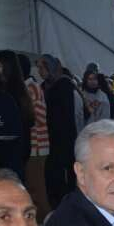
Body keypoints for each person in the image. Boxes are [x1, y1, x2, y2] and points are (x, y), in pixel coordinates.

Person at [38, 54, 80, 207]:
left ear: (50, 68)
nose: (40, 71)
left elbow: (67, 116)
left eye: (42, 68)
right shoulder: (47, 86)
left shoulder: (63, 85)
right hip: (53, 140)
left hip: (64, 140)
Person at [17, 53, 52, 223]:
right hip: (32, 146)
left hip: (36, 146)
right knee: (33, 189)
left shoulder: (31, 88)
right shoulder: (27, 87)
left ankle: (45, 225)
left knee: (37, 190)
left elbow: (40, 116)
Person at [0, 50, 35, 170]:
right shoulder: (20, 89)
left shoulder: (10, 92)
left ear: (7, 67)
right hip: (19, 146)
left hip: (13, 149)